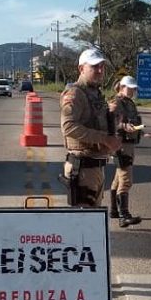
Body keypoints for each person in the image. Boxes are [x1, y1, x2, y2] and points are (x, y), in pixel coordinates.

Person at [59, 48, 122, 207]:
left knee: (92, 221)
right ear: (81, 69)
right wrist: (105, 139)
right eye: (94, 67)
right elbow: (68, 126)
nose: (100, 70)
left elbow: (97, 122)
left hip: (95, 168)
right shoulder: (75, 93)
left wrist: (113, 117)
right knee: (83, 223)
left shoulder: (95, 93)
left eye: (102, 66)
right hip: (82, 169)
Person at [109, 75, 143, 227]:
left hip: (128, 142)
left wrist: (141, 131)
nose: (133, 91)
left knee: (118, 177)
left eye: (134, 88)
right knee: (126, 179)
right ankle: (124, 215)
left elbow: (132, 121)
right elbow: (111, 121)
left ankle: (114, 210)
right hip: (120, 144)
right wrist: (123, 126)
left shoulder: (128, 102)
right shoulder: (116, 103)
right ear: (122, 87)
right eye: (131, 88)